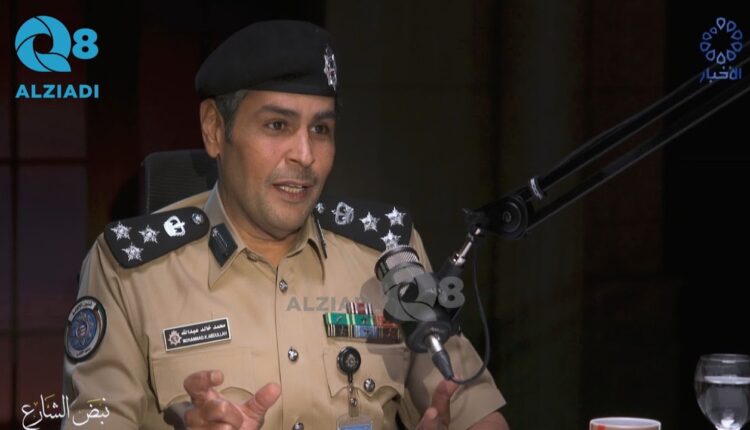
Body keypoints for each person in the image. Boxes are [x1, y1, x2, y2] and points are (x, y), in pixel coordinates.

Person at [62, 20, 509, 429]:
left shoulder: (388, 251)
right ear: (214, 130)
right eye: (277, 125)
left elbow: (478, 413)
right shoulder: (129, 270)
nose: (305, 155)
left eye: (321, 129)